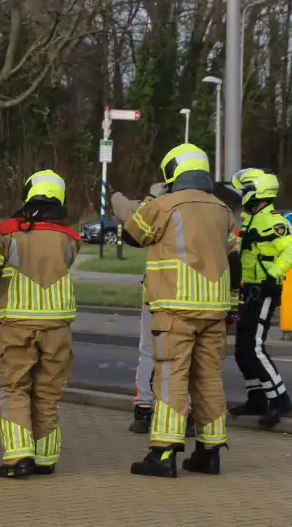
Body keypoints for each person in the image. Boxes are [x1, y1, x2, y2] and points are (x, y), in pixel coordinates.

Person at [121, 143, 241, 478]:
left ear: (173, 170)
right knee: (208, 378)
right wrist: (233, 303)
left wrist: (136, 205)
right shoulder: (222, 210)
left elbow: (132, 235)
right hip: (215, 307)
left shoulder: (163, 205)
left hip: (175, 306)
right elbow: (233, 258)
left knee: (172, 375)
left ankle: (163, 454)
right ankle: (209, 452)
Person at [0, 169, 80, 479]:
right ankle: (46, 457)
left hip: (15, 325)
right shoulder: (71, 239)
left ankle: (19, 457)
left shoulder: (6, 232)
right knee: (48, 392)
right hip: (58, 328)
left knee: (13, 388)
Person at [112, 183, 194, 438]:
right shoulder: (203, 210)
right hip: (195, 295)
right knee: (188, 358)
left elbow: (125, 212)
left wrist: (146, 195)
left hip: (158, 295)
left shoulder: (156, 209)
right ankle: (187, 415)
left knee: (150, 353)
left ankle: (145, 411)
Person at [228, 168, 292, 428]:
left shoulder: (272, 221)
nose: (240, 196)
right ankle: (256, 398)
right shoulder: (251, 219)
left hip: (264, 290)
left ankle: (280, 399)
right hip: (249, 290)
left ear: (255, 193)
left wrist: (273, 274)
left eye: (243, 192)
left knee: (254, 347)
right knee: (241, 351)